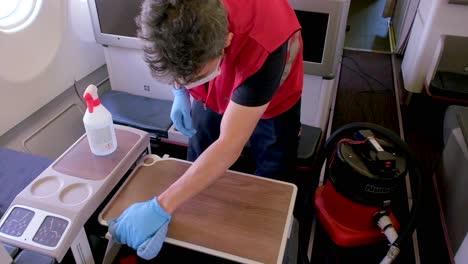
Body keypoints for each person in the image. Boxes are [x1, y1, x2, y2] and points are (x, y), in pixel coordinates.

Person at [109, 0, 304, 259]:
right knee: (200, 147)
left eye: (192, 77)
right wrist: (180, 90)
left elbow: (229, 145)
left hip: (270, 79)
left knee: (273, 169)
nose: (185, 83)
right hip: (209, 57)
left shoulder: (265, 41)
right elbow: (180, 59)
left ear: (226, 41)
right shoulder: (169, 10)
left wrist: (160, 206)